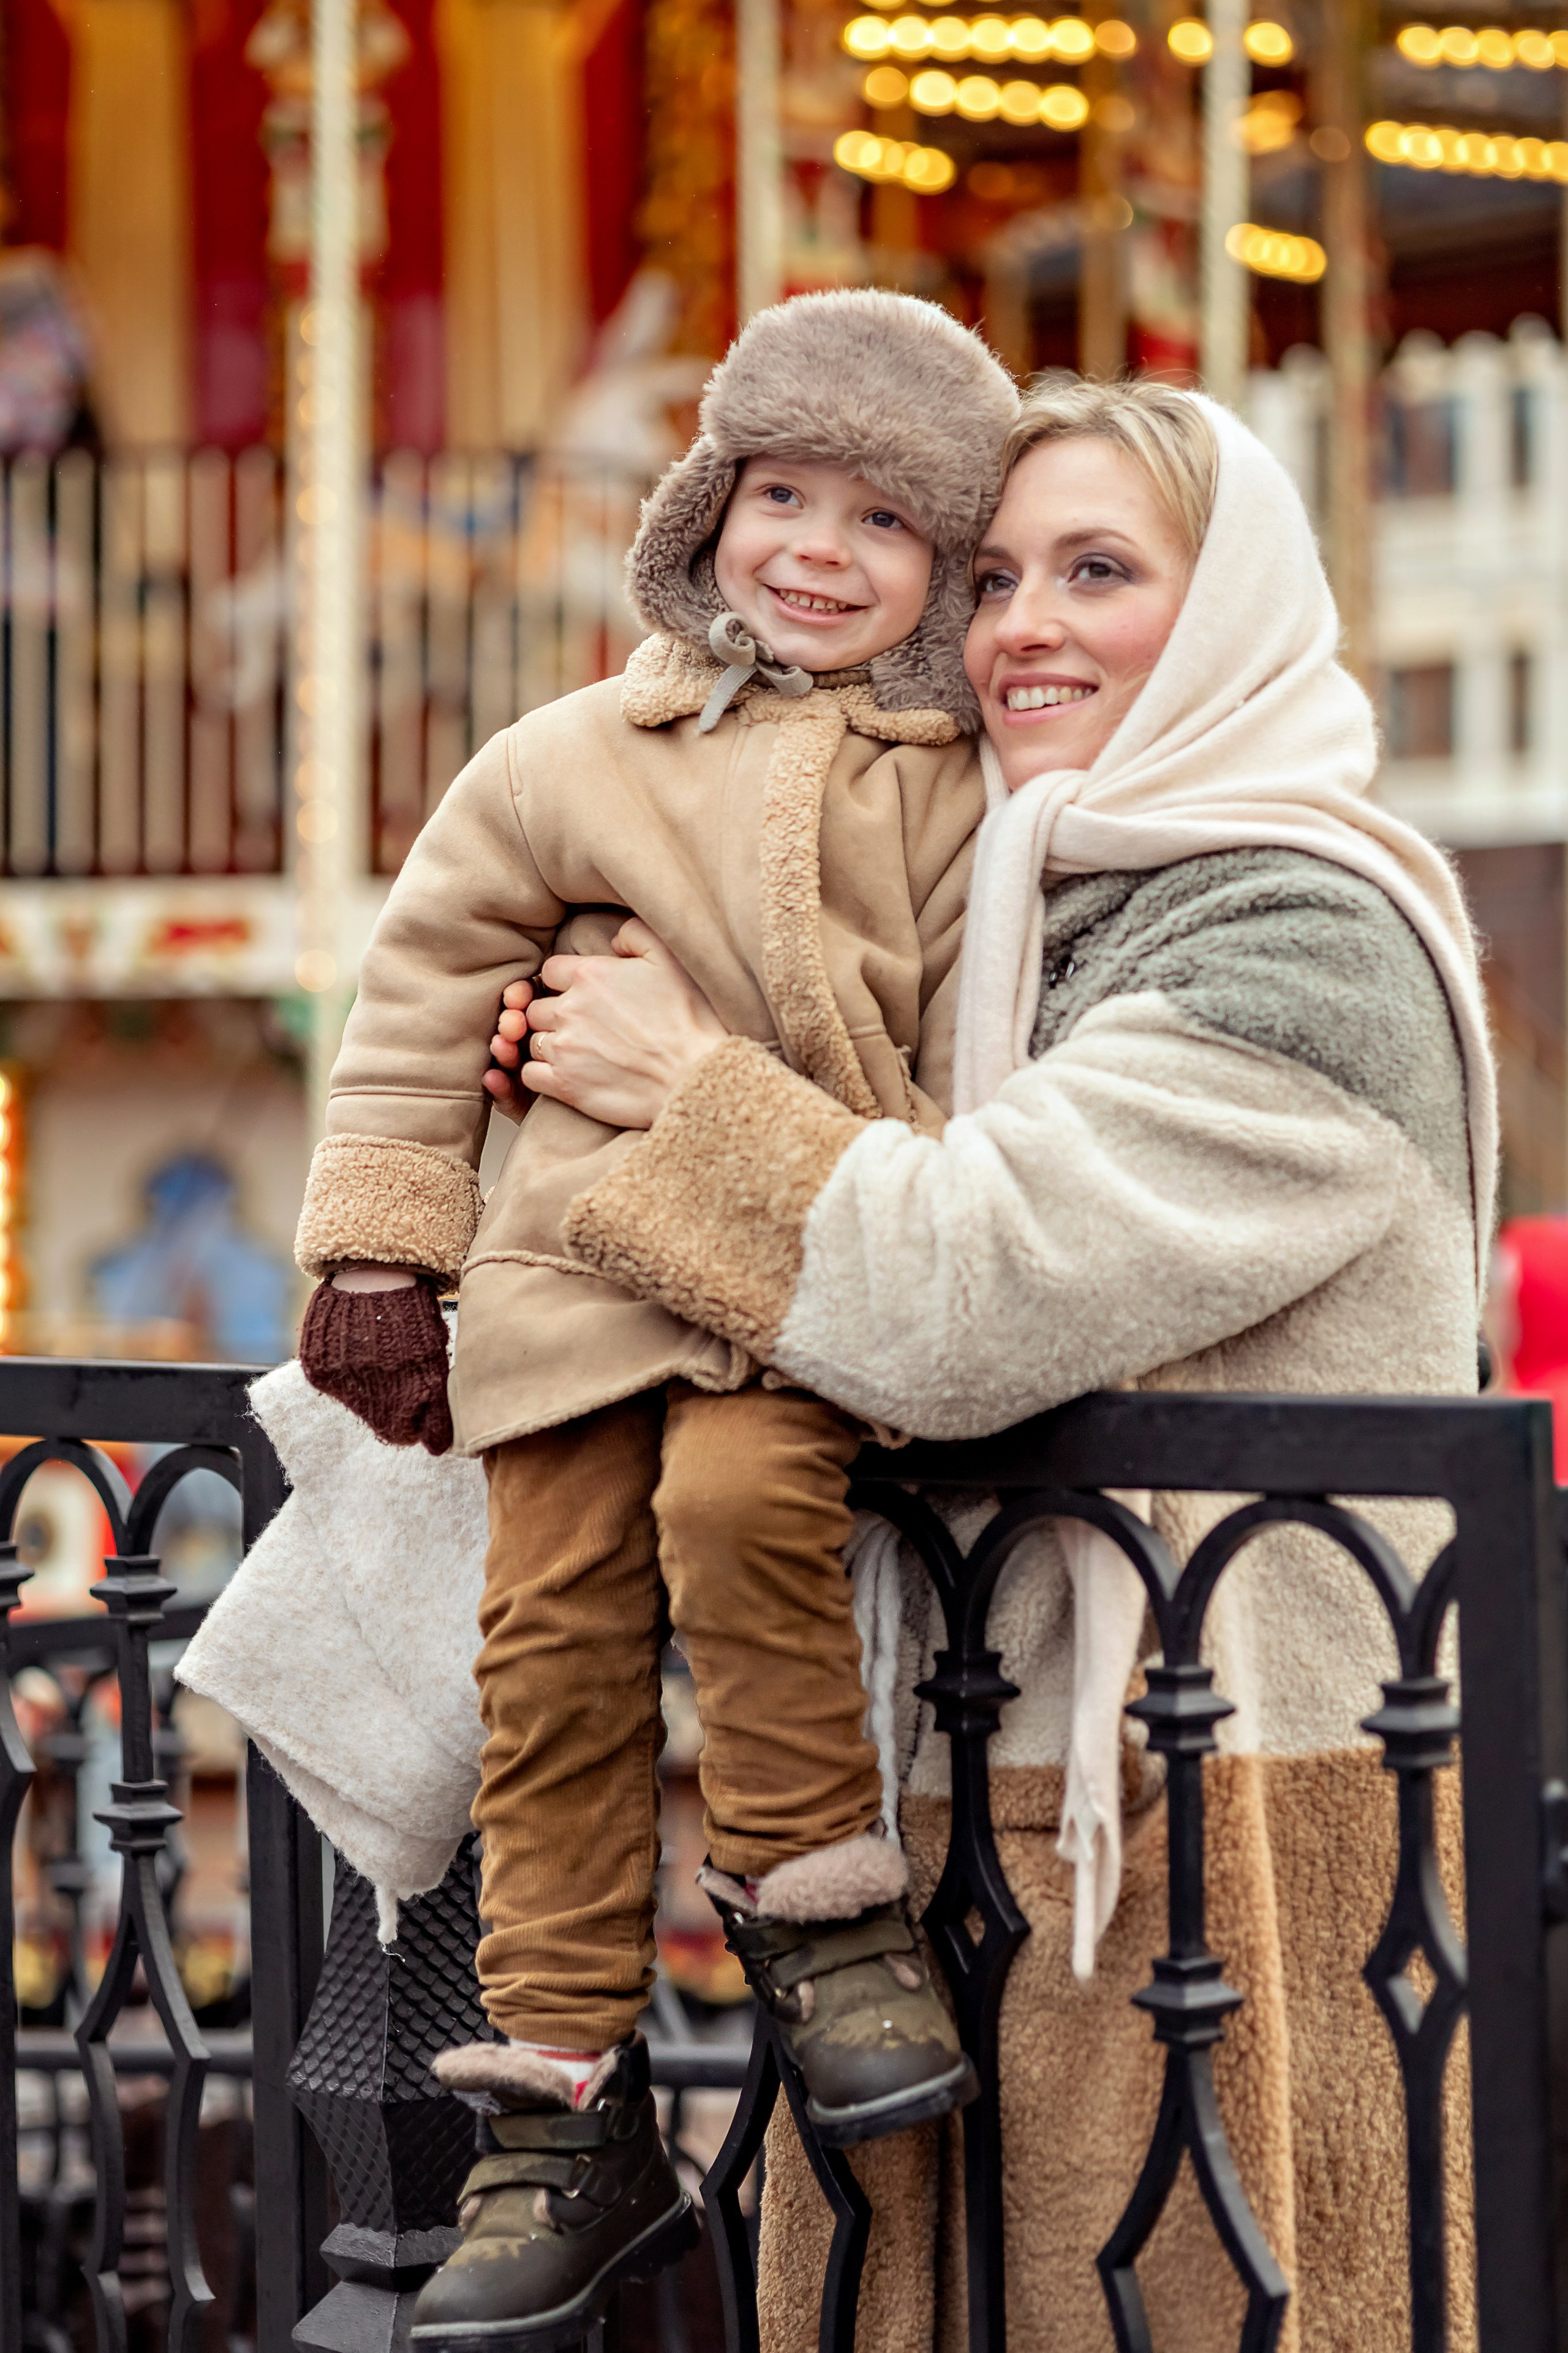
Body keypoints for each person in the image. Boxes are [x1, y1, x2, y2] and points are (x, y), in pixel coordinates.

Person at [484, 378, 1494, 2350]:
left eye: (1099, 572)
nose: (1020, 624)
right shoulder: (1029, 903)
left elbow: (965, 1283)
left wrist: (683, 1085)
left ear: (1227, 616)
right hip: (979, 1806)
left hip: (1202, 1841)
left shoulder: (1297, 933)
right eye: (999, 571)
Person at [288, 290, 1020, 2347]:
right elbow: (429, 974)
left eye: (881, 521)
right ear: (707, 511)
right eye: (782, 492)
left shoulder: (954, 794)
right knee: (554, 1638)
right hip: (571, 1274)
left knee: (744, 1518)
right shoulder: (578, 752)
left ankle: (821, 1910)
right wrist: (381, 1246)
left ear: (941, 575)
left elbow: (983, 1045)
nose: (815, 544)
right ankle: (560, 2088)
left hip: (786, 1279)